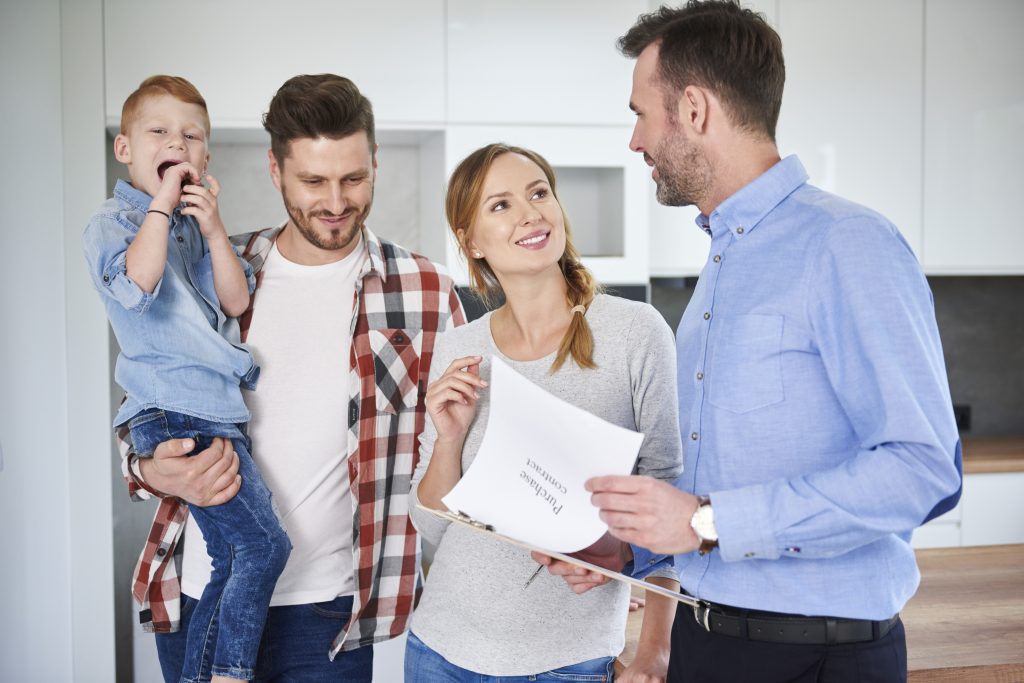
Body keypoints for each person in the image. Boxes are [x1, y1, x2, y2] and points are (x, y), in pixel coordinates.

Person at [540, 3, 963, 682]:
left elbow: (924, 469)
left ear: (696, 109)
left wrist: (707, 521)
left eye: (641, 113)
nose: (635, 140)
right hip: (709, 642)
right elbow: (715, 494)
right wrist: (628, 548)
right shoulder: (722, 262)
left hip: (816, 656)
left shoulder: (845, 243)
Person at [114, 73, 466, 682]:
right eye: (312, 181)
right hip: (205, 592)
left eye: (353, 178)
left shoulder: (425, 290)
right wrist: (146, 469)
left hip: (326, 614)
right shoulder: (215, 267)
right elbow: (149, 398)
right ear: (275, 172)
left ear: (376, 163)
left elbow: (466, 448)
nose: (335, 201)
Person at [405, 143, 683, 682]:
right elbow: (432, 528)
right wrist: (447, 440)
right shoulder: (460, 347)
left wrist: (656, 652)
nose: (531, 213)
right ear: (471, 240)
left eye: (539, 193)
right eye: (501, 205)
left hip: (567, 663)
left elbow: (668, 504)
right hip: (439, 652)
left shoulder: (636, 332)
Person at [83, 75, 290, 683]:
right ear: (125, 149)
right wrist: (161, 206)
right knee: (262, 547)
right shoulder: (114, 222)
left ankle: (211, 673)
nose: (177, 141)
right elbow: (137, 286)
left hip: (213, 407)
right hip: (176, 409)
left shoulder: (192, 230)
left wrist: (215, 230)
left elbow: (233, 300)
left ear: (205, 156)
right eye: (159, 131)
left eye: (192, 136)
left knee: (236, 554)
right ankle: (226, 673)